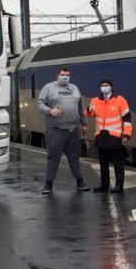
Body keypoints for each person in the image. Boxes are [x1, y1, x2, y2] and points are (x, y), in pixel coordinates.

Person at [37, 66, 90, 194]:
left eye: (67, 74)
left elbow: (80, 106)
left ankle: (80, 181)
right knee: (53, 157)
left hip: (73, 129)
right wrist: (50, 111)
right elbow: (40, 104)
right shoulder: (48, 88)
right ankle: (48, 184)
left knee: (74, 157)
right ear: (57, 76)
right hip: (56, 129)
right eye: (63, 74)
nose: (65, 76)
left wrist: (84, 124)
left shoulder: (74, 88)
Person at [85, 78, 132, 194]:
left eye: (106, 85)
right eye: (102, 85)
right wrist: (88, 110)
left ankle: (119, 185)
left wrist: (127, 133)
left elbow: (127, 117)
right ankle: (104, 184)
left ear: (111, 86)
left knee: (118, 163)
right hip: (101, 136)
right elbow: (89, 114)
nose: (104, 87)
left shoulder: (120, 100)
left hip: (114, 136)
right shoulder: (95, 100)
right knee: (103, 163)